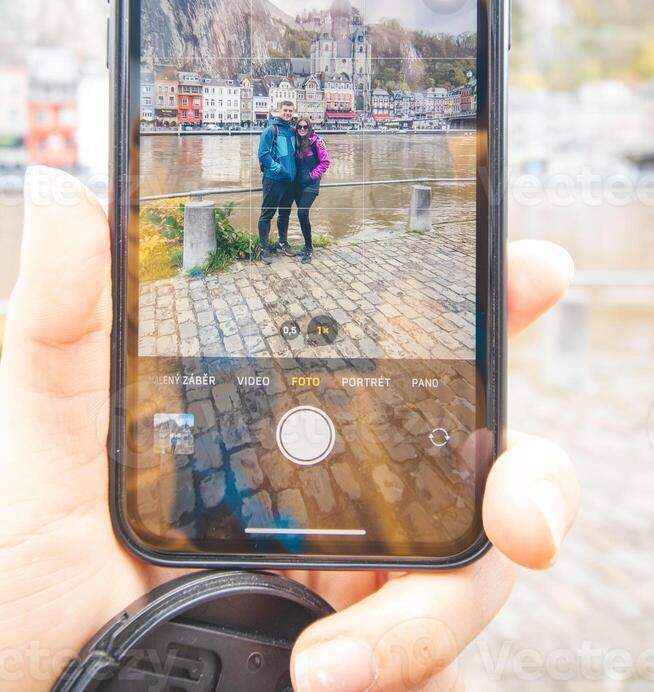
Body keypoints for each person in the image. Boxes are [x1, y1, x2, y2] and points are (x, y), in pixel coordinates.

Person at [0, 167, 579, 692]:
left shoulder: (303, 140)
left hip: (299, 191)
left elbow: (316, 158)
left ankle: (291, 248)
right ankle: (278, 247)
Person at [257, 99, 297, 264]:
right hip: (274, 180)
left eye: (290, 111)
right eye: (285, 110)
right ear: (278, 111)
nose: (287, 113)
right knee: (267, 214)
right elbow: (263, 154)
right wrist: (278, 169)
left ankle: (282, 242)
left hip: (290, 181)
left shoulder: (292, 131)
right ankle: (264, 248)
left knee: (285, 213)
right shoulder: (270, 130)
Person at [294, 117, 330, 263]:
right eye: (299, 127)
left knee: (302, 212)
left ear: (309, 128)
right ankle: (306, 245)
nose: (302, 129)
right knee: (303, 216)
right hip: (297, 184)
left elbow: (325, 162)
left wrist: (312, 175)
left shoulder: (318, 141)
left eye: (305, 127)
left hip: (311, 184)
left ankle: (309, 248)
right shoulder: (295, 141)